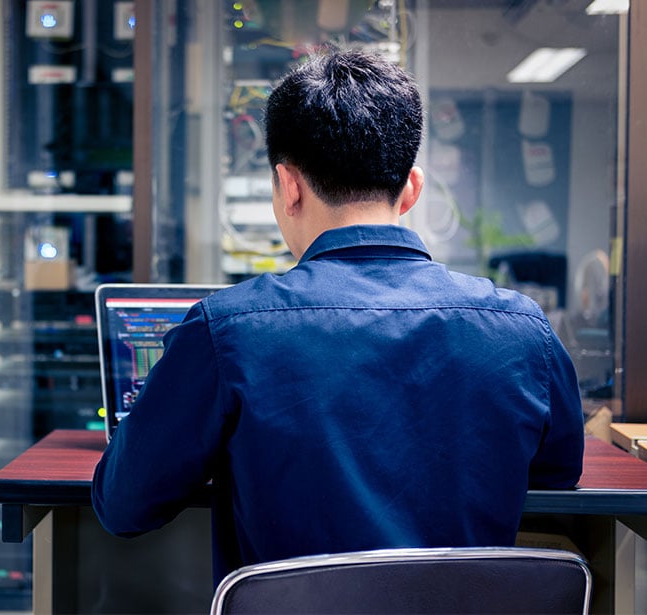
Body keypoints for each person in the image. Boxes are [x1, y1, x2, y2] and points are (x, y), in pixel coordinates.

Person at [92, 47, 584, 587]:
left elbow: (124, 505)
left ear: (289, 186)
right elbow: (557, 474)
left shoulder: (226, 331)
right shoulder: (523, 330)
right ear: (412, 188)